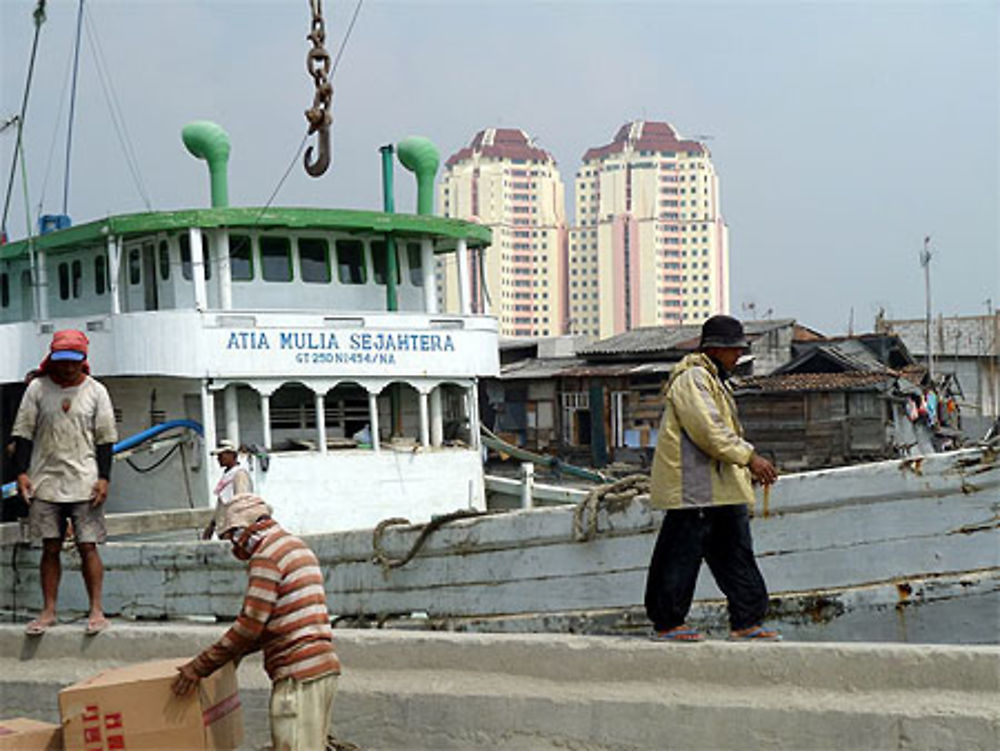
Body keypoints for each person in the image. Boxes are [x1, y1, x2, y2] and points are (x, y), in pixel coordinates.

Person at [644, 315, 780, 642]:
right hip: (694, 488)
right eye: (735, 350)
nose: (738, 356)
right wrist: (749, 458)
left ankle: (747, 621)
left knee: (736, 555)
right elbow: (709, 431)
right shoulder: (693, 379)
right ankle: (668, 623)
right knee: (679, 556)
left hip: (721, 489)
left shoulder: (714, 379)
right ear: (717, 350)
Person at [172, 494, 340, 750]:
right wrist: (231, 658)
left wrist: (200, 666)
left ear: (243, 531)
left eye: (230, 537)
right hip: (322, 667)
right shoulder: (296, 546)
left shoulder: (267, 556)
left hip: (297, 672)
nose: (233, 547)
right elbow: (276, 623)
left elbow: (250, 625)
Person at [12, 329, 118, 635]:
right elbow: (23, 433)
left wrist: (104, 478)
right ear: (53, 361)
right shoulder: (37, 389)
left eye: (73, 362)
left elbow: (105, 439)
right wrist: (21, 473)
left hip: (84, 479)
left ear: (82, 361)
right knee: (50, 546)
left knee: (88, 546)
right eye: (62, 362)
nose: (67, 368)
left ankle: (96, 609)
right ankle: (48, 611)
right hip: (44, 480)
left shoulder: (96, 391)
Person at [201, 439, 253, 539]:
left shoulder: (239, 474)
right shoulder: (227, 475)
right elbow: (221, 503)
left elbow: (241, 502)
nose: (219, 458)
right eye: (218, 456)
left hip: (233, 529)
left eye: (221, 455)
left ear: (231, 455)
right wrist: (212, 525)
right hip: (223, 527)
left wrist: (236, 528)